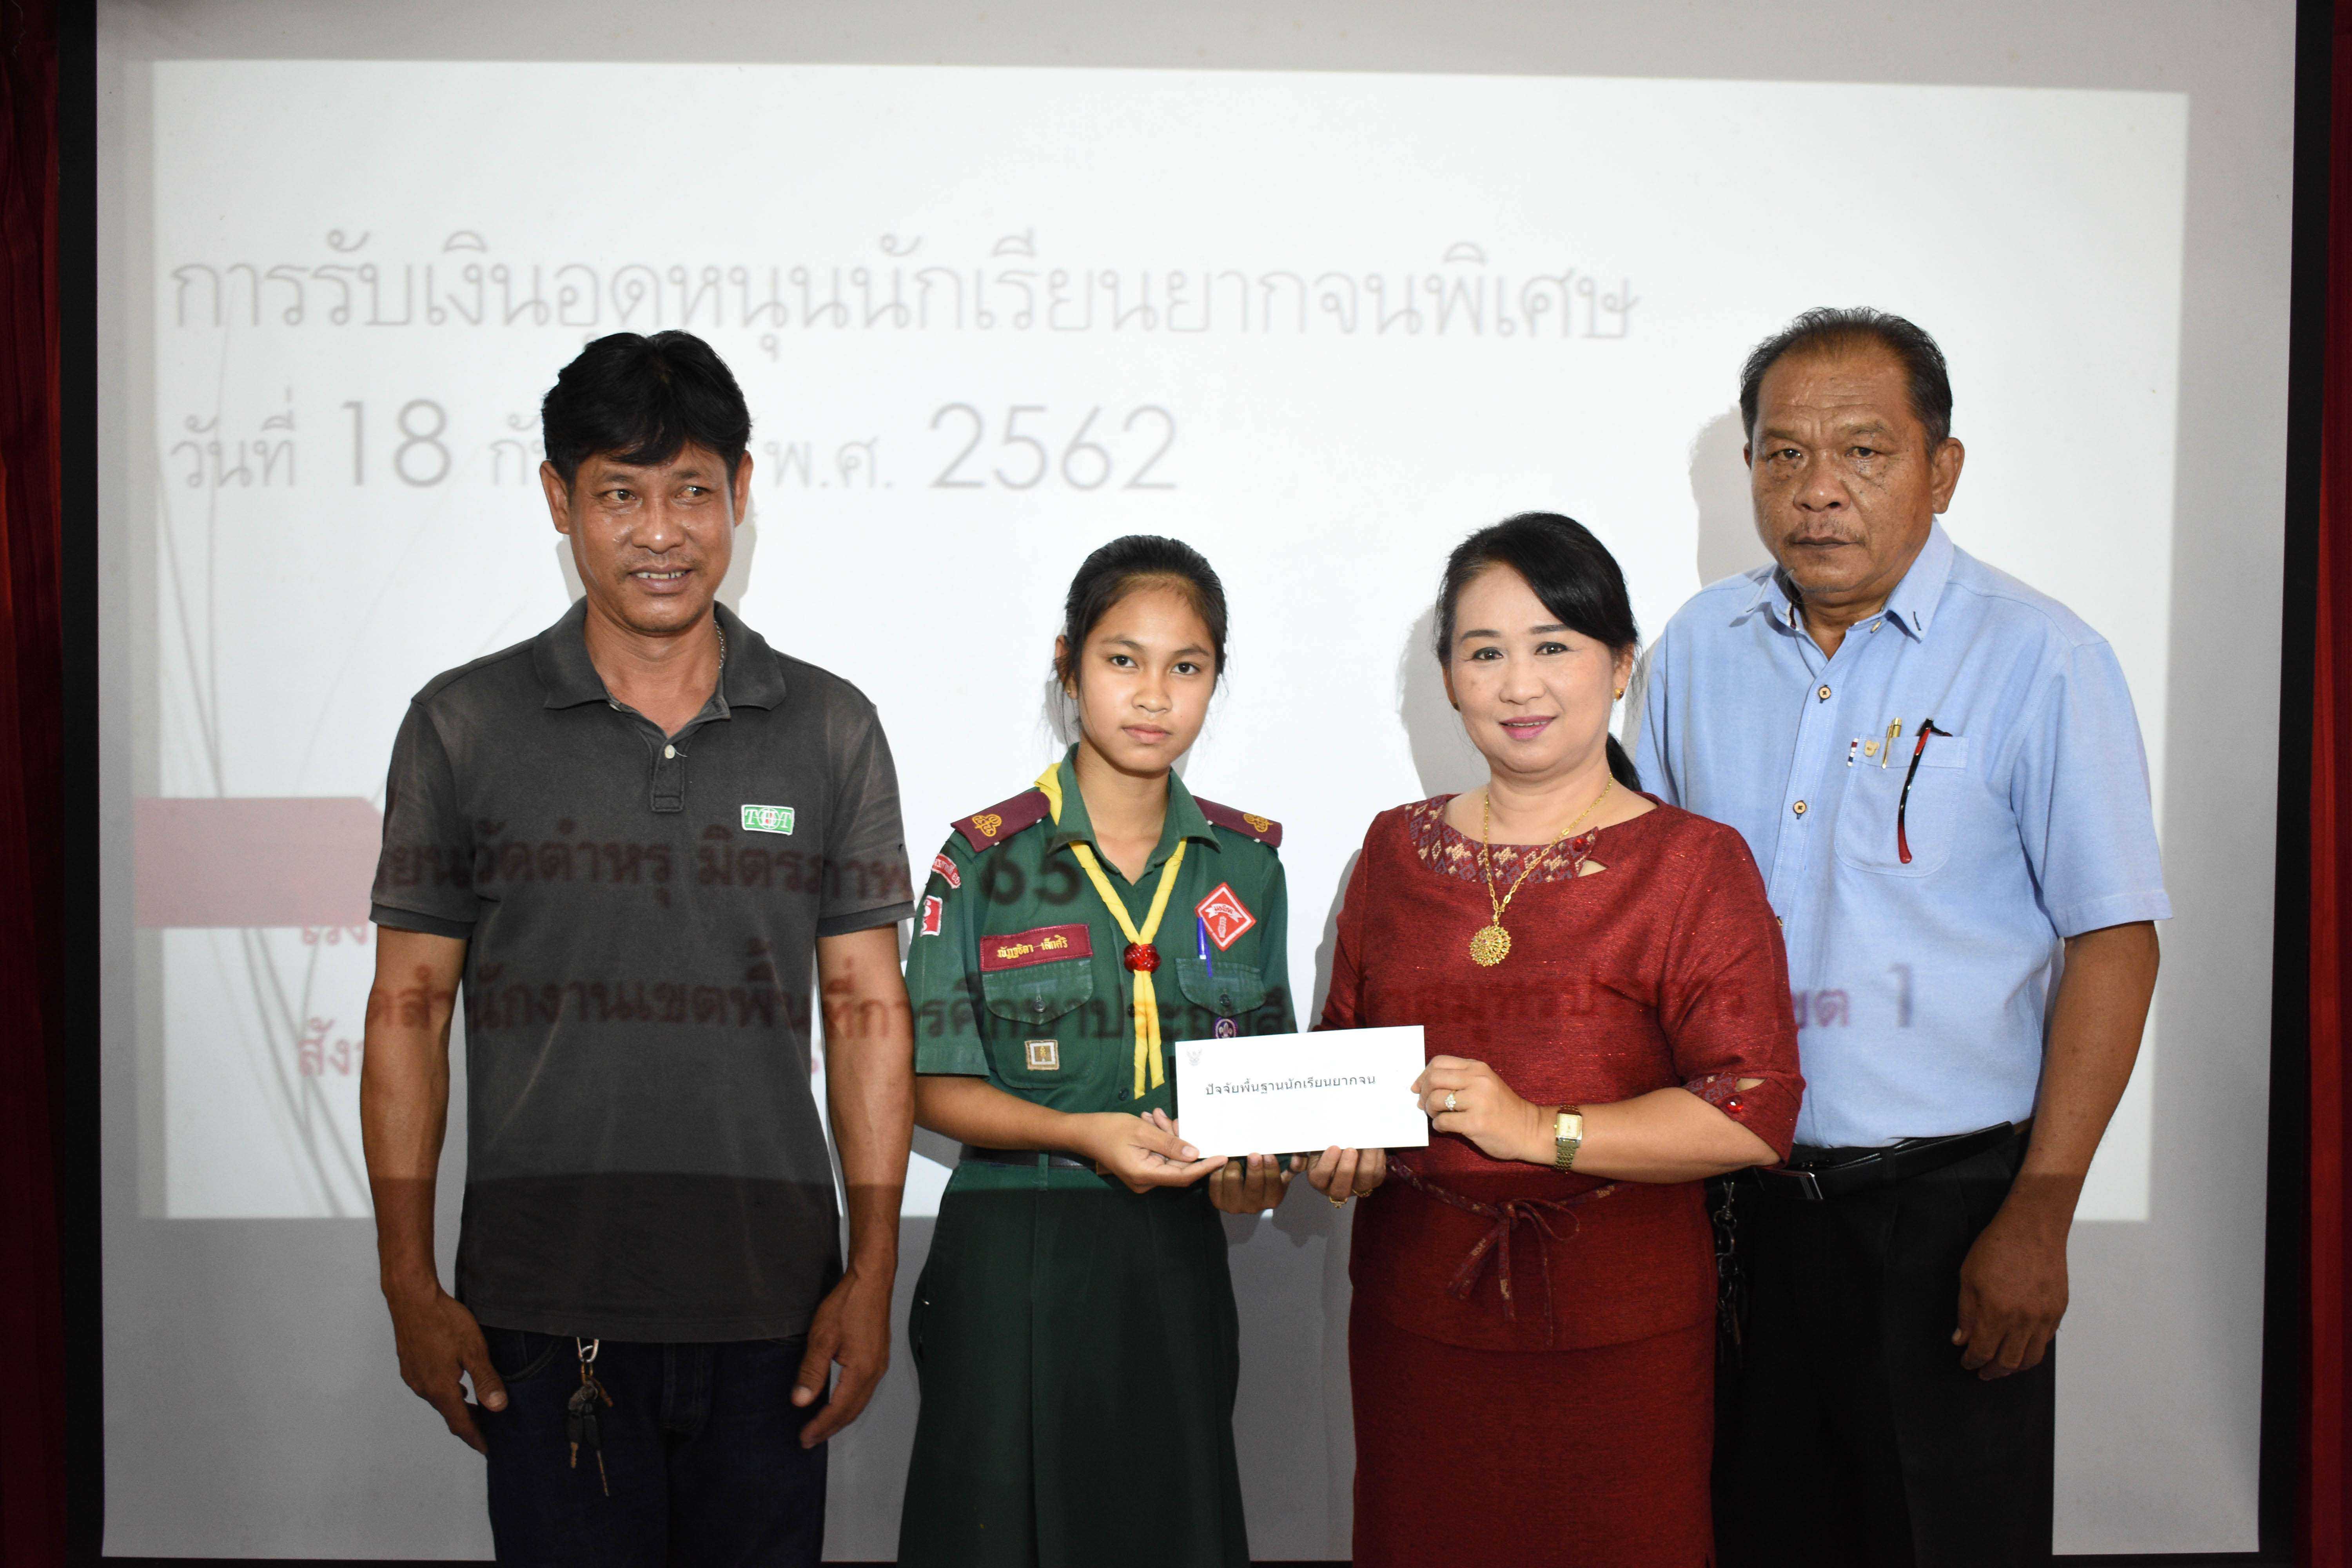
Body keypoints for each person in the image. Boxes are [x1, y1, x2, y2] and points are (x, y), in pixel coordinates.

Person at [360, 330, 916, 1567]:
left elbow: (868, 1011)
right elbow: (407, 1010)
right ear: (559, 499)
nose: (661, 532)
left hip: (774, 1310)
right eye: (620, 494)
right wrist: (407, 1279)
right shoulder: (461, 726)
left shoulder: (831, 728)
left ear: (742, 492)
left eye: (692, 491)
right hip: (540, 1310)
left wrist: (874, 1268)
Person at [1636, 307, 2169, 1567]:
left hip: (1950, 1214)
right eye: (1784, 454)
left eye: (1864, 453)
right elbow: (1642, 909)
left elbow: (2114, 940)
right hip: (1742, 1211)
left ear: (1943, 469)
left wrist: (2042, 1210)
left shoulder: (2042, 658)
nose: (1818, 490)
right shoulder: (1697, 649)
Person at [1322, 513, 1804, 1568]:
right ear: (1448, 679)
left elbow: (1753, 1112)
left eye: (1553, 646)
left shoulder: (1693, 864)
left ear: (1620, 665)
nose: (1519, 685)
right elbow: (1341, 1055)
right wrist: (1335, 1146)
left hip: (1619, 1335)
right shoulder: (1395, 849)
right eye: (1484, 653)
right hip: (1416, 1326)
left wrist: (1542, 1129)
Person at [895, 535, 1338, 1568]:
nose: (1153, 695)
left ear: (1216, 680)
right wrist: (1087, 1133)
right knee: (999, 1534)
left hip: (1172, 1260)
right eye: (1122, 660)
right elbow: (930, 1085)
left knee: (1166, 1526)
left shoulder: (1247, 865)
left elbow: (1264, 1085)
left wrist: (1258, 1172)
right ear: (1069, 666)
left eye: (1187, 667)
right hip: (1014, 1250)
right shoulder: (985, 858)